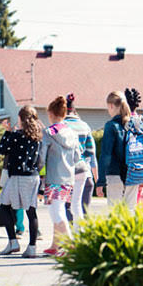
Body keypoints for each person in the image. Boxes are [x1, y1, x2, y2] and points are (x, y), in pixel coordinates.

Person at [0, 105, 43, 258]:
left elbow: (2, 149)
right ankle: (32, 246)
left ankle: (13, 241)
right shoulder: (38, 136)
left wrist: (7, 132)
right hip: (32, 176)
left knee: (4, 206)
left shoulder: (17, 135)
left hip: (17, 176)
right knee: (31, 212)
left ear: (22, 119)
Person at [38, 96, 80, 256]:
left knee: (55, 211)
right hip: (68, 177)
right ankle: (55, 245)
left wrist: (38, 169)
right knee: (60, 207)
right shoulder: (71, 131)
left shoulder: (48, 132)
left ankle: (70, 244)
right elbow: (77, 156)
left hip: (54, 176)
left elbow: (42, 156)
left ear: (50, 114)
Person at [64, 92, 98, 222]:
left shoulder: (61, 127)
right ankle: (85, 239)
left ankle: (71, 239)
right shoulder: (85, 126)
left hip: (69, 174)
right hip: (86, 175)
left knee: (68, 209)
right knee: (84, 213)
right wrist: (97, 179)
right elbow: (92, 154)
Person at [96, 91, 130, 206]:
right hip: (133, 175)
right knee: (130, 213)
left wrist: (101, 181)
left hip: (115, 175)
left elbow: (106, 155)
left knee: (115, 214)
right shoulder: (132, 124)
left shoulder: (111, 126)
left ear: (111, 105)